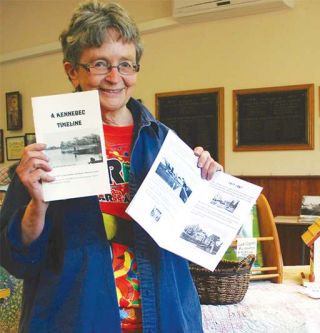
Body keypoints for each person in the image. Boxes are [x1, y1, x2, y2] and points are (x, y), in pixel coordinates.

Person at [0, 2, 222, 332]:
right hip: (74, 321)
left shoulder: (162, 142)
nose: (115, 78)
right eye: (101, 64)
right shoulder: (46, 151)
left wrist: (207, 184)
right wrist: (38, 204)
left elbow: (194, 242)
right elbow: (16, 259)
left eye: (126, 65)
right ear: (72, 70)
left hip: (162, 320)